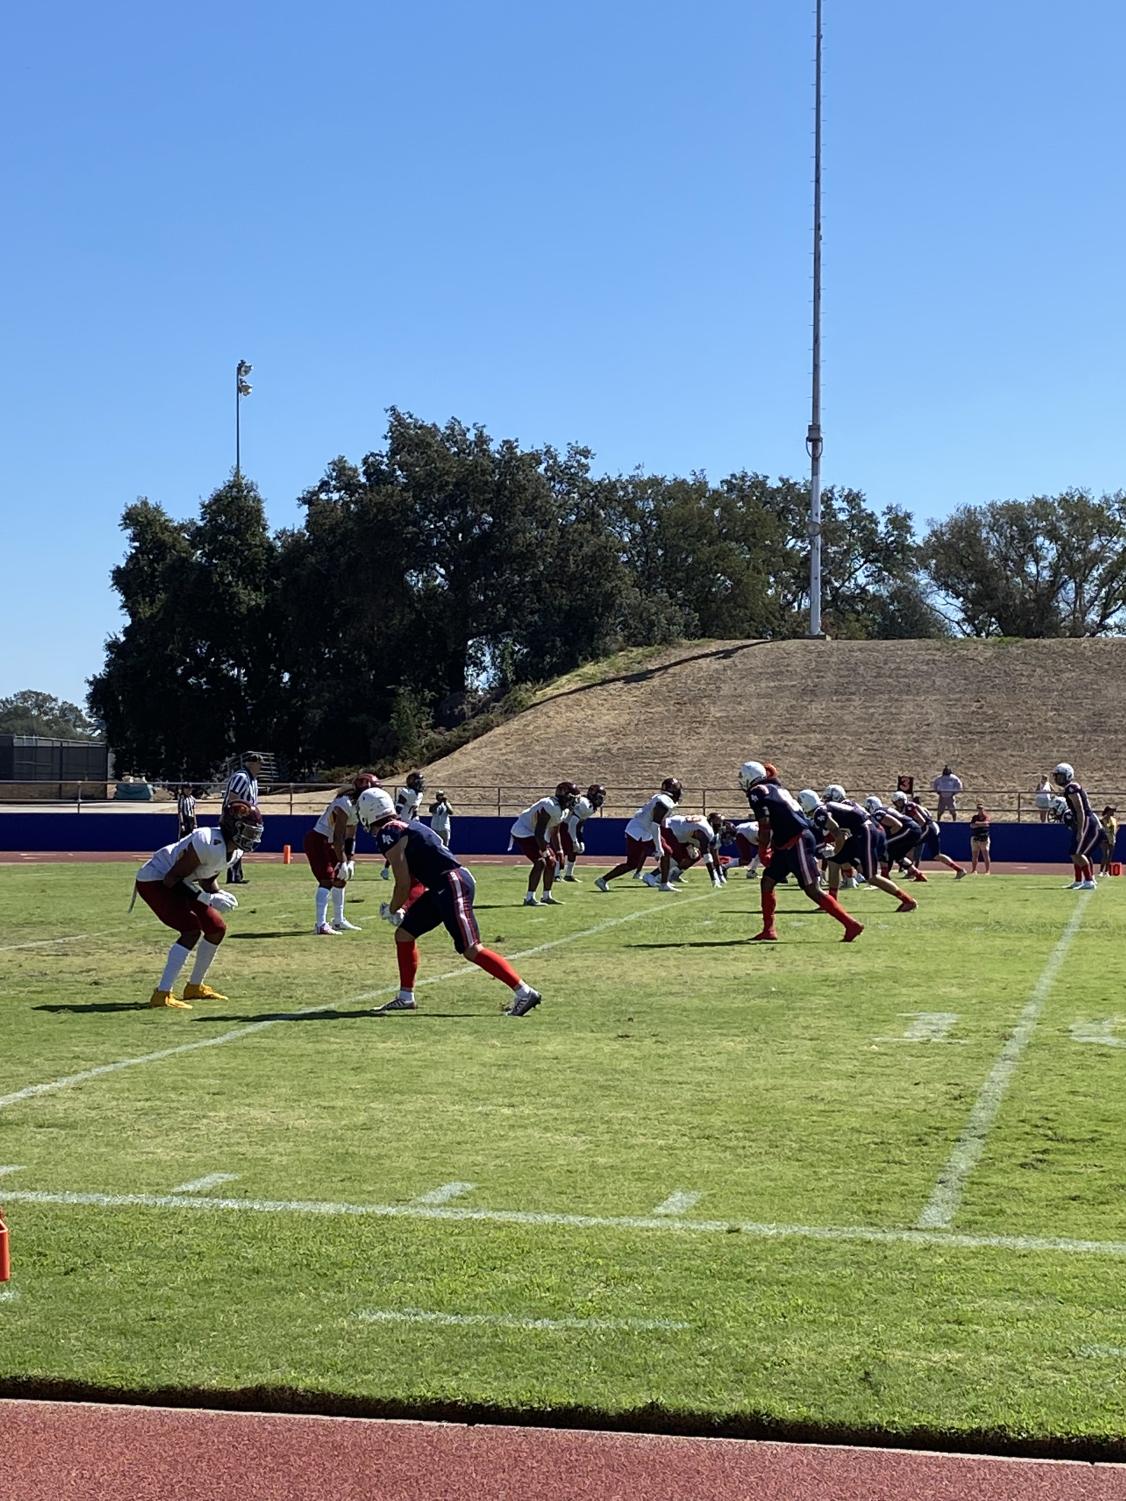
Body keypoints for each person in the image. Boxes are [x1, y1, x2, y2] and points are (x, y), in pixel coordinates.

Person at [356, 787, 543, 1017]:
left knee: (471, 948)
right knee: (404, 934)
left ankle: (524, 992)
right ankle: (406, 997)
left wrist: (392, 908)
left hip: (451, 883)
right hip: (440, 886)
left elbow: (403, 882)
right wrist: (403, 907)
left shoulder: (389, 832)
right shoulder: (403, 826)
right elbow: (414, 881)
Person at [133, 799, 263, 1009]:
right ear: (233, 827)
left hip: (178, 881)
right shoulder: (208, 841)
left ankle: (194, 987)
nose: (252, 837)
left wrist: (217, 892)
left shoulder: (234, 852)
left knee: (216, 928)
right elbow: (171, 879)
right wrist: (208, 899)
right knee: (191, 929)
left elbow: (206, 877)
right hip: (154, 880)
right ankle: (162, 993)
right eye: (248, 832)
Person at [740, 762, 863, 942]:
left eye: (742, 777)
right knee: (767, 882)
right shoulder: (774, 787)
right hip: (786, 842)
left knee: (812, 889)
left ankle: (851, 924)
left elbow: (765, 825)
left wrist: (762, 849)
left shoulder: (757, 792)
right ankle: (768, 930)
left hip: (796, 840)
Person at [811, 786, 918, 914]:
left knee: (871, 877)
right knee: (834, 861)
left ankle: (908, 900)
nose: (825, 800)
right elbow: (843, 833)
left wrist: (835, 850)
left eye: (827, 797)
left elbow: (839, 834)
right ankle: (831, 902)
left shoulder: (827, 810)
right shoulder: (841, 806)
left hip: (866, 832)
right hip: (860, 833)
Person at [304, 771, 380, 935]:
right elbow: (339, 835)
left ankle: (338, 920)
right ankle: (320, 924)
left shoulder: (358, 806)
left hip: (330, 842)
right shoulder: (344, 803)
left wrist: (350, 859)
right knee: (327, 879)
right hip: (319, 840)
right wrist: (343, 860)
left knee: (340, 879)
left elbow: (351, 835)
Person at [595, 779, 683, 892]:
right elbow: (655, 825)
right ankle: (664, 884)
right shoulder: (664, 801)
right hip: (641, 831)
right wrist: (659, 847)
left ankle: (602, 880)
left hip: (637, 829)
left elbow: (660, 823)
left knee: (632, 864)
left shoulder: (662, 799)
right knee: (665, 852)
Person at [509, 783, 579, 906]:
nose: (574, 801)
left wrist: (559, 851)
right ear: (564, 795)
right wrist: (544, 850)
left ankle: (546, 896)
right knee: (540, 861)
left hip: (536, 833)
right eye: (572, 797)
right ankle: (529, 898)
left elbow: (555, 831)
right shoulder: (550, 805)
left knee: (552, 862)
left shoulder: (563, 810)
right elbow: (539, 831)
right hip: (523, 831)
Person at [890, 790, 966, 878]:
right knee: (936, 855)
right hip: (929, 828)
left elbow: (922, 821)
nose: (899, 803)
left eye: (900, 801)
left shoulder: (909, 807)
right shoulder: (903, 809)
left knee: (909, 847)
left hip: (927, 828)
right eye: (897, 802)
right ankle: (959, 870)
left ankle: (911, 872)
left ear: (904, 800)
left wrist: (913, 833)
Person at [1052, 762, 1100, 890]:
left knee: (1077, 853)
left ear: (1067, 775)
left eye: (1060, 776)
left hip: (1086, 821)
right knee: (1078, 853)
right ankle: (1080, 880)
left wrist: (1080, 830)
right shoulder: (1071, 788)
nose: (1057, 779)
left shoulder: (1071, 788)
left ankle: (1089, 880)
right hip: (1085, 820)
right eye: (1056, 776)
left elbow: (1080, 810)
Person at [223, 752, 263, 884]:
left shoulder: (253, 779)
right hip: (236, 819)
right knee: (234, 845)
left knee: (240, 846)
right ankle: (233, 876)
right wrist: (238, 815)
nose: (260, 767)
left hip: (246, 819)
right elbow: (233, 797)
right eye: (258, 764)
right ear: (250, 763)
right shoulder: (242, 777)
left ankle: (237, 875)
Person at [662, 811, 727, 887]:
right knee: (677, 856)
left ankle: (669, 876)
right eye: (719, 824)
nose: (721, 826)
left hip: (677, 829)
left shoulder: (704, 820)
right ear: (712, 823)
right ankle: (654, 876)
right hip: (669, 828)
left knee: (693, 855)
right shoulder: (706, 829)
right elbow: (706, 854)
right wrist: (714, 879)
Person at [383, 771, 427, 880]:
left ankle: (412, 870)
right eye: (419, 782)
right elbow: (398, 808)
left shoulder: (419, 794)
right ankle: (386, 869)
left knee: (410, 847)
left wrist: (415, 818)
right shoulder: (406, 792)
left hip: (409, 822)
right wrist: (397, 821)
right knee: (396, 847)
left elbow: (414, 808)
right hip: (400, 822)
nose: (421, 784)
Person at [560, 783, 606, 882]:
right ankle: (556, 875)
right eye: (599, 797)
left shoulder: (590, 806)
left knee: (574, 850)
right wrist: (574, 841)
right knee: (563, 849)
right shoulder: (585, 804)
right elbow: (572, 823)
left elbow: (579, 823)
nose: (601, 800)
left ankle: (568, 875)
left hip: (570, 825)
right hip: (563, 824)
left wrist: (579, 838)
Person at [969, 803, 991, 874]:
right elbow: (972, 825)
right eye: (978, 809)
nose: (980, 810)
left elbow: (986, 824)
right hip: (975, 837)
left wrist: (977, 824)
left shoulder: (986, 816)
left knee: (985, 854)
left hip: (984, 838)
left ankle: (987, 871)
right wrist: (980, 824)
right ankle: (974, 870)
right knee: (975, 855)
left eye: (981, 809)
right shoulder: (975, 817)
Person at [1099, 805, 1118, 876]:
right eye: (1112, 811)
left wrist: (1114, 834)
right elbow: (1100, 830)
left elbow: (1116, 827)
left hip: (1112, 839)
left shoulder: (1114, 819)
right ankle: (1101, 871)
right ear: (1108, 811)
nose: (1113, 812)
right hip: (1104, 839)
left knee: (1110, 856)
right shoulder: (1102, 820)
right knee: (1105, 855)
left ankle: (1107, 871)